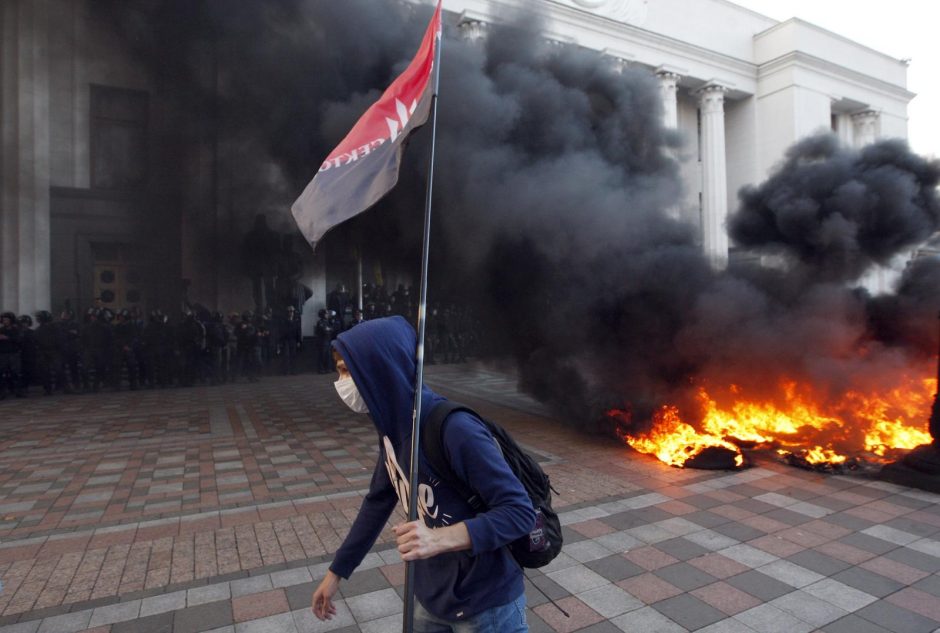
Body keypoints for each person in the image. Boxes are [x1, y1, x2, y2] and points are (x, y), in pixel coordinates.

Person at [310, 316, 535, 632]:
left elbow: (519, 513)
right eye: (338, 371)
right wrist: (337, 572)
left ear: (381, 369)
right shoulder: (392, 426)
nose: (341, 382)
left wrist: (439, 538)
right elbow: (378, 501)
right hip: (430, 594)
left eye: (349, 371)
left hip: (485, 603)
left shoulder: (454, 429)